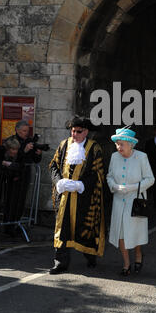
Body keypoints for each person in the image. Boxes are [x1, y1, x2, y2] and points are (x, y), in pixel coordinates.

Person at [49, 116, 105, 275]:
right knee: (62, 228)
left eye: (78, 131)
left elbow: (98, 172)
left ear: (86, 132)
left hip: (84, 198)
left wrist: (81, 184)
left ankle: (90, 256)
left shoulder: (94, 148)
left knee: (84, 229)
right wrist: (58, 181)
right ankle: (60, 262)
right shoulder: (63, 145)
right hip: (65, 197)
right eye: (72, 131)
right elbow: (53, 165)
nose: (74, 134)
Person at [107, 127, 155, 276]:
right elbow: (109, 176)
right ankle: (126, 263)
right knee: (121, 234)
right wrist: (114, 186)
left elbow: (150, 179)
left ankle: (139, 254)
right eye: (117, 144)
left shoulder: (141, 157)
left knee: (134, 233)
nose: (118, 147)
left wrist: (133, 188)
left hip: (135, 201)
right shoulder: (114, 157)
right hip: (118, 201)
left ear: (130, 144)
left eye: (121, 144)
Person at [0, 138, 24, 232]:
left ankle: (8, 226)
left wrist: (16, 174)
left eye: (16, 150)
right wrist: (3, 163)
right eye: (13, 149)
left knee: (10, 201)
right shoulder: (0, 150)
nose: (15, 152)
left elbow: (21, 165)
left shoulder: (18, 154)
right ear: (7, 149)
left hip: (10, 180)